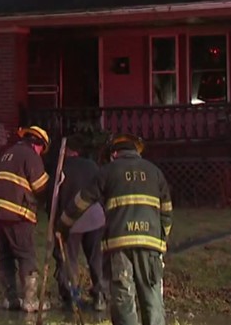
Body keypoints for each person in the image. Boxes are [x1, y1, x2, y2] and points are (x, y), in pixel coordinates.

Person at [59, 133, 172, 325]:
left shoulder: (107, 172)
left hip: (120, 243)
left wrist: (64, 223)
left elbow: (82, 200)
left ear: (114, 154)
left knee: (123, 296)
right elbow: (167, 212)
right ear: (136, 151)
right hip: (151, 244)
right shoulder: (155, 172)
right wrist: (162, 240)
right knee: (152, 294)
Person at [0, 125, 51, 312]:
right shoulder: (31, 156)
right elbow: (41, 187)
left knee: (5, 255)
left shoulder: (8, 153)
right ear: (38, 144)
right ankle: (30, 301)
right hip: (17, 215)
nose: (41, 153)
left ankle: (10, 299)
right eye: (42, 150)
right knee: (26, 255)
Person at [52, 139, 108, 312]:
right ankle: (100, 297)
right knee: (96, 257)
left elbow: (53, 198)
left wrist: (55, 224)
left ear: (66, 151)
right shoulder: (91, 166)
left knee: (69, 259)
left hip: (71, 220)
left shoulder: (60, 168)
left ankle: (71, 297)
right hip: (96, 217)